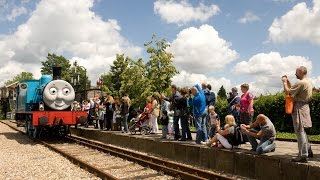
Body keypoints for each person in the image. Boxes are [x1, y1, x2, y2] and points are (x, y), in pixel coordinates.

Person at [282, 66, 313, 163]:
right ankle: (308, 151)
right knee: (302, 130)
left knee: (299, 131)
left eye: (297, 72)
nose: (295, 74)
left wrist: (283, 82)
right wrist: (288, 82)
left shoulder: (301, 83)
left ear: (302, 72)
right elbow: (292, 89)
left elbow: (288, 92)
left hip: (299, 107)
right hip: (304, 107)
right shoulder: (307, 82)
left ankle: (303, 155)